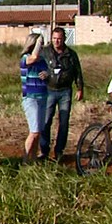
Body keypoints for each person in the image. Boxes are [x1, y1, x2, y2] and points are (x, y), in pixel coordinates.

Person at [39, 27, 84, 161]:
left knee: (64, 122)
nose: (56, 41)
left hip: (65, 91)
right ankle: (44, 150)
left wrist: (80, 88)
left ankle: (59, 151)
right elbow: (35, 67)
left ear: (64, 39)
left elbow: (77, 72)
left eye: (59, 39)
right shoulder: (44, 52)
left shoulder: (71, 54)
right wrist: (41, 74)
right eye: (54, 38)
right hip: (49, 89)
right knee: (46, 121)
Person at [21, 33, 49, 163]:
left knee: (39, 131)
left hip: (42, 96)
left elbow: (47, 71)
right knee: (34, 131)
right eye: (40, 45)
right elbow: (34, 57)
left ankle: (33, 158)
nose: (42, 47)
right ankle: (26, 160)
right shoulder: (25, 58)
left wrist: (47, 74)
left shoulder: (42, 60)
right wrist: (39, 40)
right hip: (30, 98)